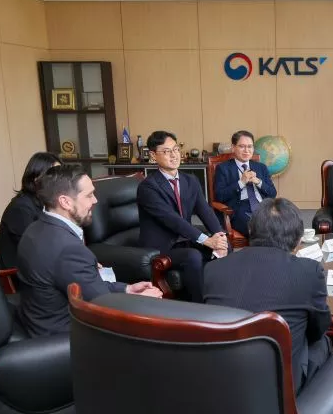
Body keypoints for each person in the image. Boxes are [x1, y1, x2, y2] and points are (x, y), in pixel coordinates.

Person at [203, 198, 333, 394]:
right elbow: (318, 329)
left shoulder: (213, 269)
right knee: (323, 343)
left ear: (250, 230)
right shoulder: (309, 271)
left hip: (221, 379)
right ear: (298, 239)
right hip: (278, 388)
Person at [17, 165, 162, 337]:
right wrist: (141, 300)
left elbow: (89, 286)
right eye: (88, 195)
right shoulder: (67, 248)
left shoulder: (37, 227)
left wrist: (128, 289)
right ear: (65, 202)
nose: (95, 200)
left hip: (39, 320)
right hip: (66, 334)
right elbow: (103, 305)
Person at [137, 130, 228, 303]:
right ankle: (199, 307)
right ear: (153, 156)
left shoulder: (190, 180)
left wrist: (220, 236)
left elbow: (205, 211)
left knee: (225, 246)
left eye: (176, 149)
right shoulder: (148, 187)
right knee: (193, 256)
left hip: (185, 239)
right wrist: (205, 239)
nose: (174, 155)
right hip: (161, 246)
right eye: (166, 151)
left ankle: (221, 298)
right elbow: (172, 220)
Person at [0, 152, 61, 269]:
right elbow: (36, 250)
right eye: (52, 175)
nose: (58, 180)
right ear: (35, 177)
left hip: (41, 266)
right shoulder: (20, 209)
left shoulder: (44, 201)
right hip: (24, 274)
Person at [213, 130, 277, 237]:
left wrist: (258, 182)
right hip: (240, 209)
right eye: (242, 146)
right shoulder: (223, 168)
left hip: (263, 207)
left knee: (285, 224)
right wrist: (241, 183)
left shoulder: (261, 167)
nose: (246, 150)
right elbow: (219, 196)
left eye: (250, 146)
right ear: (233, 148)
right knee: (259, 229)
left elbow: (272, 193)